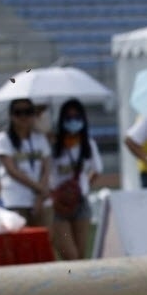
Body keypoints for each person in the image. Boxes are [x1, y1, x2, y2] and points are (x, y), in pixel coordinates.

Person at [48, 98, 102, 260]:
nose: (73, 122)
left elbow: (97, 169)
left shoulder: (88, 144)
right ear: (62, 120)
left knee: (81, 256)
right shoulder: (53, 145)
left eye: (77, 118)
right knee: (69, 255)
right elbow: (45, 172)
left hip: (80, 202)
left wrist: (81, 187)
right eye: (69, 118)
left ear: (83, 120)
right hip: (58, 205)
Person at [0, 98, 51, 226]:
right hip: (15, 200)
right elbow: (12, 171)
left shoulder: (40, 138)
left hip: (40, 201)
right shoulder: (3, 139)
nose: (23, 116)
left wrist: (40, 198)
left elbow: (46, 169)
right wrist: (40, 189)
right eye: (18, 112)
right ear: (11, 115)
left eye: (28, 112)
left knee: (44, 242)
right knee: (20, 243)